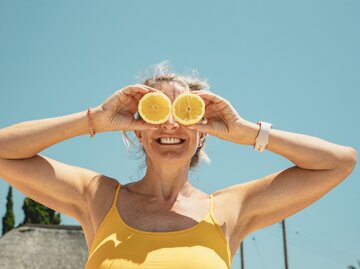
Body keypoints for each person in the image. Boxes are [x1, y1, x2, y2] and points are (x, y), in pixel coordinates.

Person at [0, 64, 357, 269]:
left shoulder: (229, 209)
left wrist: (247, 131)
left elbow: (339, 162)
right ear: (136, 132)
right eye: (156, 112)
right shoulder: (98, 198)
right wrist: (96, 118)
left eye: (185, 113)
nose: (170, 126)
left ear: (203, 133)